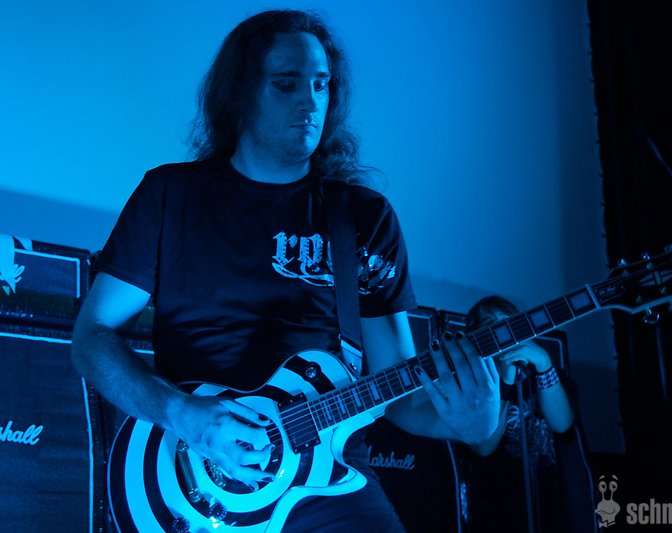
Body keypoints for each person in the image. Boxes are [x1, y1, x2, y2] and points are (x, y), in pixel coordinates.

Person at [70, 9, 500, 532]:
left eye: (321, 84)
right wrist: (181, 413)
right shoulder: (170, 196)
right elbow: (91, 337)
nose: (310, 102)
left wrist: (469, 423)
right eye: (286, 84)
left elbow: (401, 394)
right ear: (240, 94)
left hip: (327, 476)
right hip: (194, 473)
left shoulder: (362, 217)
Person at [463, 295, 576, 533]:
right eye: (491, 325)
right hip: (495, 509)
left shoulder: (545, 375)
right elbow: (483, 448)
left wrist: (544, 363)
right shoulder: (472, 387)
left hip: (550, 504)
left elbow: (562, 425)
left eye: (510, 323)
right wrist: (506, 382)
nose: (504, 333)